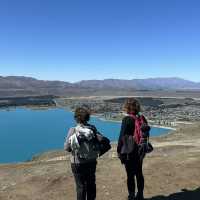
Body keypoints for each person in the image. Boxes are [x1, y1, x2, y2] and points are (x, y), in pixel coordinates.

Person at [64, 107, 99, 200]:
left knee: (80, 187)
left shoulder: (73, 130)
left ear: (76, 118)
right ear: (87, 117)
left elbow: (67, 148)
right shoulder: (93, 129)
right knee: (91, 185)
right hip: (91, 161)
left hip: (77, 163)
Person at [117, 98, 149, 200]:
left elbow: (122, 136)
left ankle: (131, 196)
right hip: (140, 149)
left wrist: (119, 150)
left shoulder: (127, 119)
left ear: (127, 107)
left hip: (130, 151)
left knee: (130, 174)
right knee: (139, 173)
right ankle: (140, 195)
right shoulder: (142, 117)